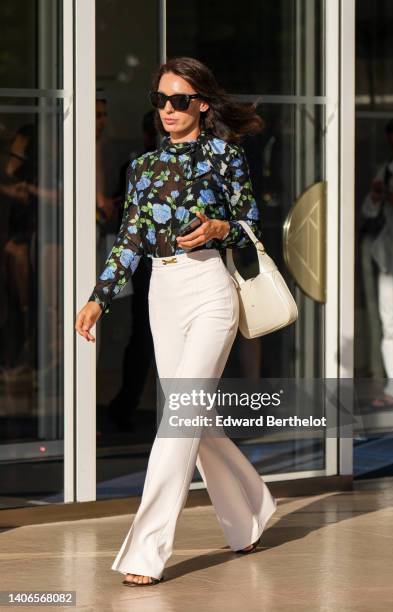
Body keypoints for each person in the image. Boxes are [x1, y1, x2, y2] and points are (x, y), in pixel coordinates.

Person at [75, 56, 277, 586]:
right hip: (161, 293)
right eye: (160, 99)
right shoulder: (143, 167)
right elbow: (131, 239)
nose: (168, 108)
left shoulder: (225, 156)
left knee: (179, 417)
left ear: (202, 104)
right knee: (193, 418)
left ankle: (146, 550)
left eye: (180, 99)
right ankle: (250, 512)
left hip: (210, 289)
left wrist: (217, 227)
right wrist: (100, 296)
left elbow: (250, 225)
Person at [361, 119, 393, 406]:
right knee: (389, 320)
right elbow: (369, 209)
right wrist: (379, 196)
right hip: (390, 254)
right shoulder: (389, 170)